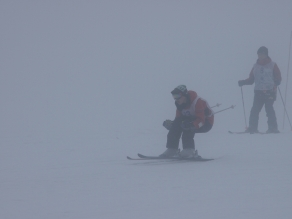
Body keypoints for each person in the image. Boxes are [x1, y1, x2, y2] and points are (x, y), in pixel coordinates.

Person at [160, 85, 214, 158]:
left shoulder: (198, 102)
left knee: (188, 127)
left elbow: (201, 121)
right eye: (174, 96)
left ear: (184, 95)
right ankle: (172, 149)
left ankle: (189, 150)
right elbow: (178, 120)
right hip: (190, 121)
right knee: (177, 125)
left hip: (205, 123)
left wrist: (192, 125)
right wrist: (172, 125)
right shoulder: (179, 105)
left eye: (177, 96)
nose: (176, 99)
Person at [238, 46, 282, 134]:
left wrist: (277, 81)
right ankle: (252, 128)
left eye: (262, 54)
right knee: (255, 110)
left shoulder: (272, 65)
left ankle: (273, 128)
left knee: (269, 109)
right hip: (258, 91)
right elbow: (251, 80)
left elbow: (278, 76)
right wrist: (243, 82)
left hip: (270, 91)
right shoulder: (255, 66)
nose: (260, 56)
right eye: (259, 54)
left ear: (266, 55)